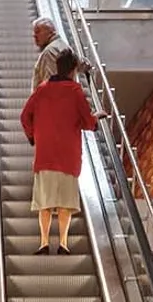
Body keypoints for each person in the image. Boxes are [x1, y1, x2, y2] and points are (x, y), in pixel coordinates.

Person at [21, 47, 101, 255]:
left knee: (45, 204)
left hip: (45, 156)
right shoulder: (75, 91)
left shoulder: (42, 89)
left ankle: (44, 243)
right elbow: (86, 120)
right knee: (65, 203)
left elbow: (25, 116)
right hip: (68, 157)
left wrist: (33, 136)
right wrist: (96, 118)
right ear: (73, 69)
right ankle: (63, 244)